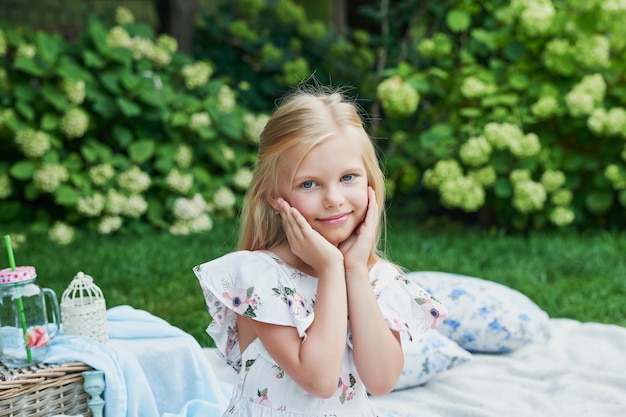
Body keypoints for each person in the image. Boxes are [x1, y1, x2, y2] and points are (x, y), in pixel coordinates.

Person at [193, 84, 446, 417]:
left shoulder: (377, 279)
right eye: (308, 184)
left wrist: (353, 270)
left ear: (370, 182)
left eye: (348, 177)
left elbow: (382, 380)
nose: (333, 199)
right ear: (274, 197)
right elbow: (320, 379)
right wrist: (330, 269)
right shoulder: (261, 277)